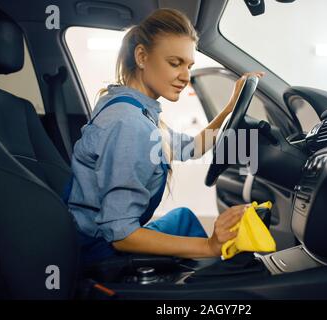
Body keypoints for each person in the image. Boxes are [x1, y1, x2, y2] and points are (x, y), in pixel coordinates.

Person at [67, 8, 264, 265]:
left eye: (189, 66)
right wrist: (209, 246)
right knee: (208, 252)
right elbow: (121, 234)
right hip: (98, 252)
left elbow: (190, 148)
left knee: (182, 217)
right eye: (175, 63)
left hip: (92, 239)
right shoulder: (130, 124)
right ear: (141, 56)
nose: (185, 77)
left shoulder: (130, 106)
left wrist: (229, 109)